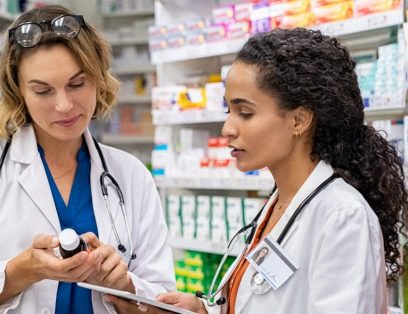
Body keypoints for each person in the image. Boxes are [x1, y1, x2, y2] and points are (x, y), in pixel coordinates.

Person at [106, 28, 407, 313]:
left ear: (299, 120)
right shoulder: (279, 202)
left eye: (245, 113)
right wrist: (205, 309)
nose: (227, 128)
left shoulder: (343, 217)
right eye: (228, 111)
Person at [0, 5, 175, 313]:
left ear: (99, 79)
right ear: (18, 91)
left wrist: (126, 287)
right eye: (43, 91)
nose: (64, 105)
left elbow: (165, 300)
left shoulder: (130, 175)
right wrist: (21, 271)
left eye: (77, 84)